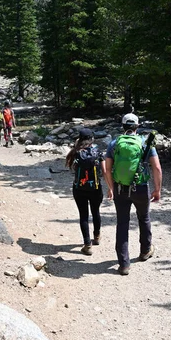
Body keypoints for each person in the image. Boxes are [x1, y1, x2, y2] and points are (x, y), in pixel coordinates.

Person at [104, 113, 162, 276]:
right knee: (144, 218)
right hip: (141, 188)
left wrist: (111, 187)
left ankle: (124, 264)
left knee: (122, 223)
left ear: (123, 127)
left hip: (120, 188)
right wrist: (157, 190)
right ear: (137, 126)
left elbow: (107, 169)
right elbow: (157, 168)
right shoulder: (145, 142)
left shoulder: (114, 143)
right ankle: (145, 251)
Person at [66, 128, 106, 256]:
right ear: (92, 138)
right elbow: (104, 171)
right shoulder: (97, 151)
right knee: (96, 212)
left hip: (79, 188)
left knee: (83, 215)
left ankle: (87, 244)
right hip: (95, 187)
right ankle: (97, 236)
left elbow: (71, 167)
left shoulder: (75, 152)